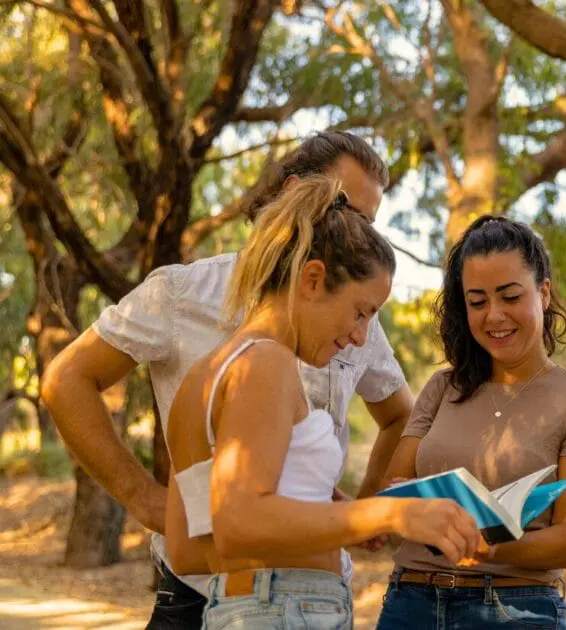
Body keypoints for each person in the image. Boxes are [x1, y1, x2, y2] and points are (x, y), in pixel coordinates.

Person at [41, 131, 415, 629]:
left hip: (277, 596)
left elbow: (397, 417)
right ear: (293, 193)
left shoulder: (328, 327)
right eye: (343, 208)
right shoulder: (192, 302)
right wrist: (144, 499)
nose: (356, 230)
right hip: (223, 600)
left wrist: (357, 510)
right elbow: (66, 379)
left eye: (367, 222)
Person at [163, 174, 481, 630]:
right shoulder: (265, 364)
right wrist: (391, 512)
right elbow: (241, 521)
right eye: (361, 311)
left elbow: (185, 547)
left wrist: (321, 512)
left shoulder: (204, 375)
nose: (359, 336)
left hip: (244, 609)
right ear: (312, 279)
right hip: (286, 612)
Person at [376, 216, 566, 630]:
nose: (494, 316)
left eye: (509, 297)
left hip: (512, 610)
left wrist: (485, 550)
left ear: (543, 293)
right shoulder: (441, 387)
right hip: (410, 601)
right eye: (477, 301)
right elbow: (395, 492)